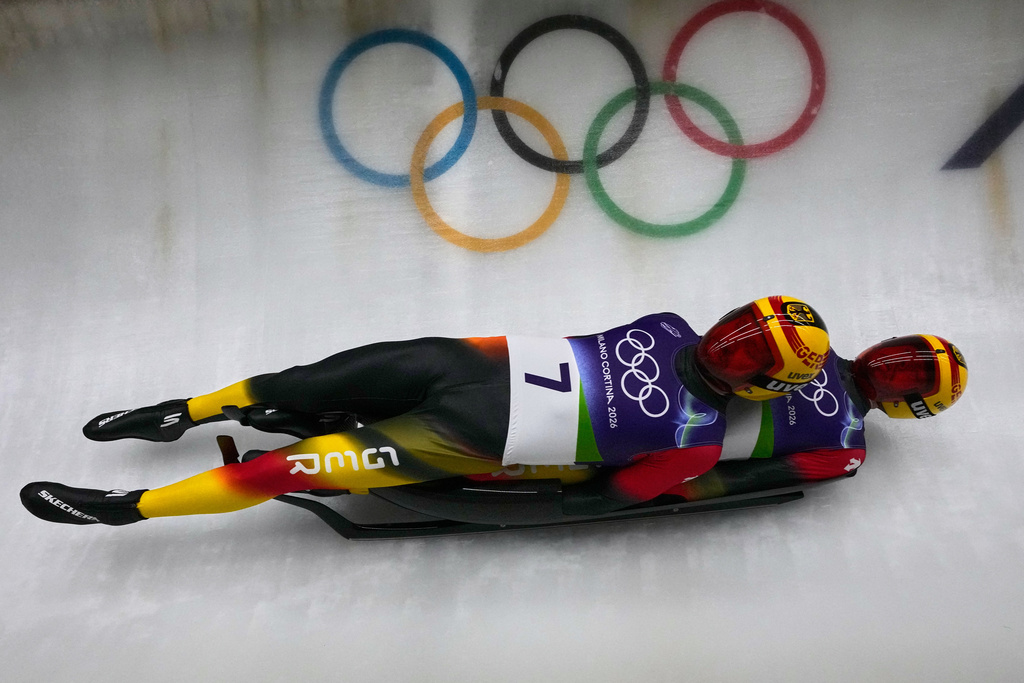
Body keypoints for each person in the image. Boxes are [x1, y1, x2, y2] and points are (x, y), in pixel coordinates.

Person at [21, 296, 831, 527]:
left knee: (283, 467)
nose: (726, 351)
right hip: (466, 360)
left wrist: (522, 499)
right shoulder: (666, 326)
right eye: (736, 333)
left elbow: (602, 500)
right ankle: (179, 410)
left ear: (768, 387)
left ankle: (128, 508)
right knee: (298, 380)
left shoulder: (693, 445)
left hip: (466, 435)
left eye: (749, 358)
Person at [661, 334, 968, 503]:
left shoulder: (805, 342)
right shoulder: (847, 448)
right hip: (664, 454)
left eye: (902, 377)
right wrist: (669, 493)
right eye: (896, 362)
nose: (889, 370)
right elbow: (754, 479)